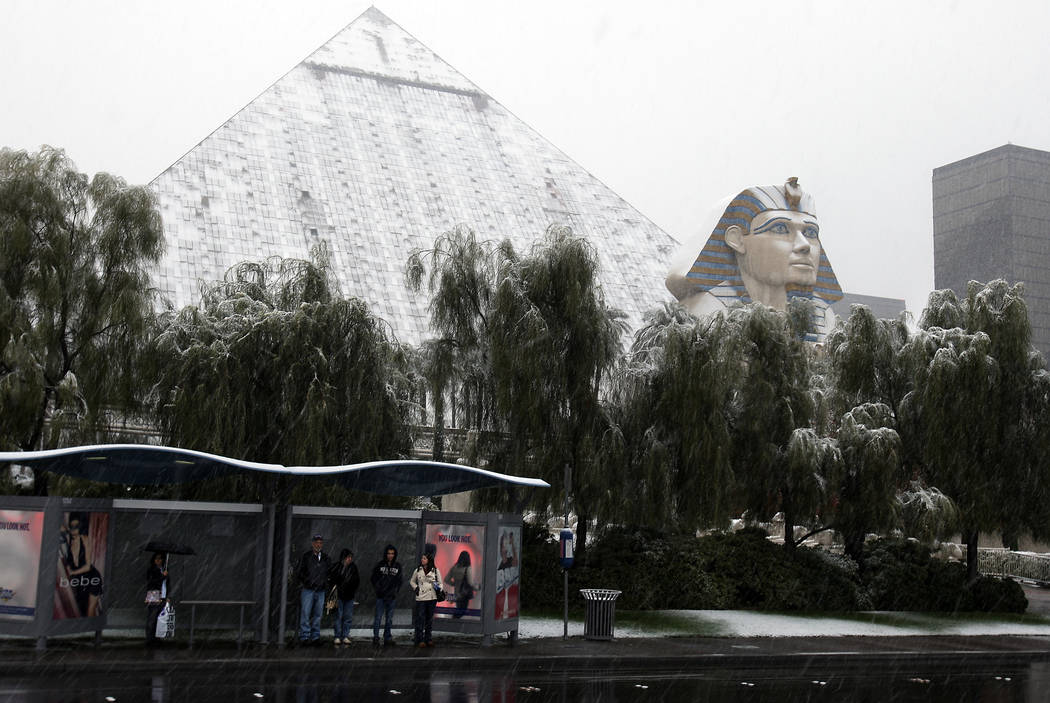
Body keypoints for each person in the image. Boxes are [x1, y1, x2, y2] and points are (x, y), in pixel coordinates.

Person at [665, 177, 843, 342]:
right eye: (780, 228)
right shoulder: (709, 313)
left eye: (811, 232)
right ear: (737, 240)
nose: (804, 245)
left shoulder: (823, 318)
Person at [61, 513, 103, 617]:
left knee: (90, 609)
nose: (74, 529)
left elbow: (87, 566)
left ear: (81, 527)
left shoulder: (84, 539)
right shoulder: (69, 539)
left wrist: (72, 572)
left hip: (92, 577)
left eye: (77, 526)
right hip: (80, 580)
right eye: (72, 526)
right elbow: (59, 527)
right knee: (82, 609)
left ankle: (94, 631)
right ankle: (91, 629)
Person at [296, 534, 331, 646]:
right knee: (305, 613)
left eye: (320, 542)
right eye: (316, 542)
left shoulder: (326, 558)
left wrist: (325, 583)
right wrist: (308, 582)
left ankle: (315, 637)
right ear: (312, 543)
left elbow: (329, 573)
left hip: (320, 590)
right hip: (308, 589)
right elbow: (300, 572)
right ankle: (305, 636)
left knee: (318, 614)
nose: (318, 544)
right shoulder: (306, 557)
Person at [370, 544, 402, 646]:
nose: (390, 555)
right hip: (381, 596)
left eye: (392, 553)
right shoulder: (380, 565)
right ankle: (376, 637)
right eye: (389, 553)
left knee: (389, 619)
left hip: (391, 597)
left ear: (395, 554)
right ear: (386, 554)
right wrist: (378, 590)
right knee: (378, 618)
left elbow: (400, 581)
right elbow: (373, 578)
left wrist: (395, 591)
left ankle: (387, 637)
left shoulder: (397, 566)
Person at [409, 553, 442, 648]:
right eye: (422, 558)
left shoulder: (435, 570)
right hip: (421, 598)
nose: (422, 560)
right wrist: (416, 588)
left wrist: (437, 588)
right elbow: (412, 581)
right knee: (420, 619)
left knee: (429, 619)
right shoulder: (418, 570)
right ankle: (419, 639)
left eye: (424, 558)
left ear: (429, 560)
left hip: (432, 598)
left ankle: (428, 639)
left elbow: (440, 583)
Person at [329, 548, 360, 645]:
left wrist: (351, 589)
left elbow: (356, 581)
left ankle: (345, 635)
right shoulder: (337, 567)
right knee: (338, 616)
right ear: (343, 558)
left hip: (349, 596)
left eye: (350, 557)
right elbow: (332, 581)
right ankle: (337, 636)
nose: (349, 559)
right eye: (348, 557)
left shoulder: (353, 567)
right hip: (339, 596)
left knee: (347, 616)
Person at [144, 552, 169, 645]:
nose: (158, 561)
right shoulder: (152, 570)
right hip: (154, 594)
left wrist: (167, 596)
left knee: (160, 618)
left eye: (160, 558)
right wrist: (163, 576)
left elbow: (167, 584)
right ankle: (150, 639)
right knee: (152, 617)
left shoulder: (165, 569)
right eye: (156, 559)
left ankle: (157, 637)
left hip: (163, 595)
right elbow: (152, 582)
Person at [444, 550, 477, 619]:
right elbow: (470, 583)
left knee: (459, 610)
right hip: (464, 594)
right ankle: (453, 624)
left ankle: (453, 623)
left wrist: (455, 584)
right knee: (461, 612)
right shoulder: (468, 568)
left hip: (457, 593)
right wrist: (477, 587)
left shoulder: (454, 567)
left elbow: (446, 579)